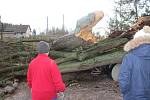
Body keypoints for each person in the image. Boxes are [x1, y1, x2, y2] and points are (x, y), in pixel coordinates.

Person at [119, 26, 150, 100]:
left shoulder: (129, 57)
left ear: (135, 41)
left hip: (132, 95)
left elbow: (124, 78)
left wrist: (124, 92)